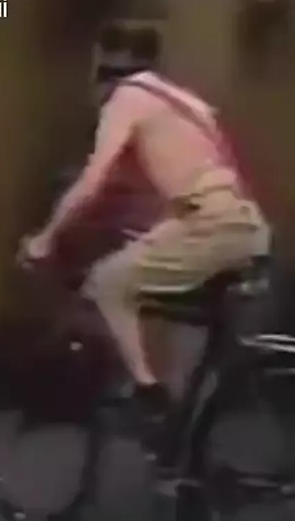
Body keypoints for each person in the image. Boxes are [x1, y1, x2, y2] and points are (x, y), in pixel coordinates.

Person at [18, 27, 266, 425]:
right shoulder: (186, 102)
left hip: (210, 227)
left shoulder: (127, 99)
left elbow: (92, 181)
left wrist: (45, 238)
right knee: (173, 317)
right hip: (240, 225)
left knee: (106, 283)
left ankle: (147, 393)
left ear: (104, 63)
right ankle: (184, 438)